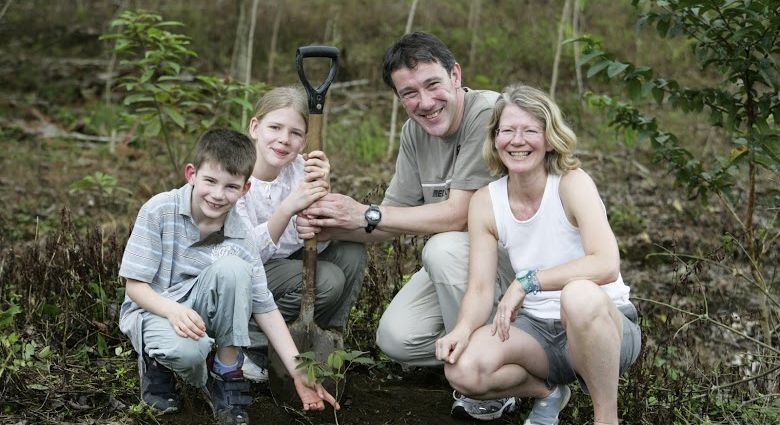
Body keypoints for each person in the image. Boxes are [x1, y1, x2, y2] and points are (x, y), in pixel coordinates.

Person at [296, 32, 517, 420]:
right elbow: (389, 219)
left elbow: (459, 214)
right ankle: (508, 357)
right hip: (466, 271)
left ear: (455, 74)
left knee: (444, 247)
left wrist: (365, 213)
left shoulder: (490, 114)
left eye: (433, 84)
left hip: (518, 267)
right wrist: (333, 225)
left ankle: (489, 382)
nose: (425, 102)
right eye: (409, 93)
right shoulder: (416, 133)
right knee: (397, 339)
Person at [435, 84, 642, 425]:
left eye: (531, 130)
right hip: (538, 334)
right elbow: (481, 289)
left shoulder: (572, 183)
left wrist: (526, 282)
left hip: (604, 326)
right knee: (463, 371)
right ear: (495, 138)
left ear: (549, 139)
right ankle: (548, 393)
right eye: (508, 131)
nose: (518, 141)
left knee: (578, 295)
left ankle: (607, 419)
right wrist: (462, 329)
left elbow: (605, 264)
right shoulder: (486, 202)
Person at [118, 128, 338, 425]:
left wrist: (298, 369)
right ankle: (157, 363)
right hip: (154, 308)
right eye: (210, 181)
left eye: (231, 186)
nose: (218, 195)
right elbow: (135, 287)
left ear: (246, 188)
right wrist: (172, 310)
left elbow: (265, 307)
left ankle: (225, 371)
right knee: (187, 353)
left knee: (234, 267)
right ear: (191, 174)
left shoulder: (240, 235)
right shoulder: (159, 210)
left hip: (200, 316)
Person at [235, 86, 367, 380]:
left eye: (295, 133)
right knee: (327, 279)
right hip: (246, 270)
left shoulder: (302, 169)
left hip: (286, 262)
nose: (284, 139)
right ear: (255, 127)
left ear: (305, 140)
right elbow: (246, 251)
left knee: (351, 251)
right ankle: (253, 343)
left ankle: (324, 337)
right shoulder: (235, 173)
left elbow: (314, 232)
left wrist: (320, 201)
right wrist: (288, 210)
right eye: (275, 127)